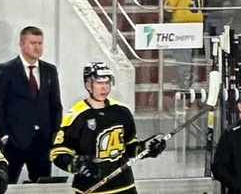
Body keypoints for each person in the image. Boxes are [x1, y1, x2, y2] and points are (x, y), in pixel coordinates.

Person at [49, 62, 165, 193]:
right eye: (99, 83)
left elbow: (130, 147)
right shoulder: (76, 115)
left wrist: (147, 147)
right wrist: (76, 164)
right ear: (88, 85)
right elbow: (57, 153)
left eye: (107, 82)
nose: (104, 87)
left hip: (124, 186)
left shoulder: (121, 112)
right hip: (91, 188)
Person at [0, 25, 63, 184]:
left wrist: (53, 134)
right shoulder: (7, 70)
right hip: (14, 141)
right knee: (7, 184)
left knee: (43, 186)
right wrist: (4, 136)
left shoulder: (50, 70)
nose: (37, 47)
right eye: (33, 43)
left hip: (42, 141)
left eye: (40, 43)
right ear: (22, 44)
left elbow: (55, 105)